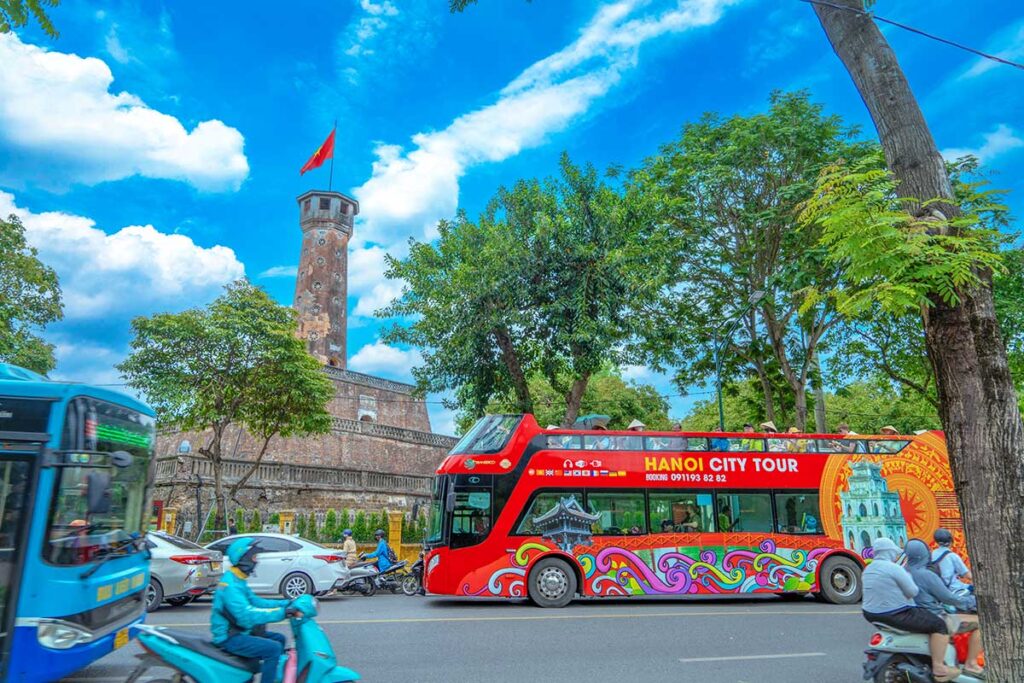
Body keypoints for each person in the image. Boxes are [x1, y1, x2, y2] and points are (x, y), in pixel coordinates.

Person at [861, 537, 961, 682]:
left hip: (870, 614)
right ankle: (939, 666)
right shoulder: (894, 568)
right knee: (940, 625)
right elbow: (912, 592)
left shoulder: (869, 569)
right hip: (896, 613)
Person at [211, 538, 295, 683]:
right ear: (244, 558)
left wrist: (287, 604)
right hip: (230, 637)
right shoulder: (231, 585)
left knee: (280, 639)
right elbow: (246, 615)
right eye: (254, 557)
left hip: (240, 630)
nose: (257, 561)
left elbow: (257, 602)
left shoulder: (237, 579)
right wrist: (283, 613)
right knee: (273, 649)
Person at [904, 539, 984, 679]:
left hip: (915, 616)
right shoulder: (926, 575)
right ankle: (971, 663)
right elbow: (948, 598)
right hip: (934, 615)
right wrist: (971, 602)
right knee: (981, 625)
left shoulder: (903, 571)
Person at [932, 529, 973, 595]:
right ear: (951, 541)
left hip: (939, 591)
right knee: (973, 589)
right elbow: (968, 576)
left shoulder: (932, 554)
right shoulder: (952, 556)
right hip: (954, 589)